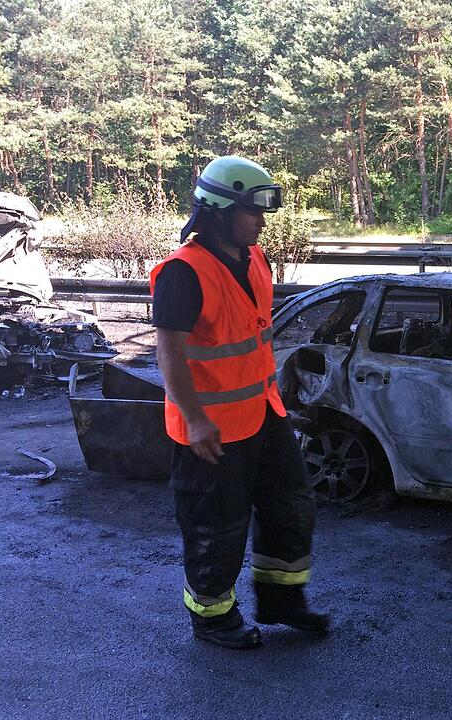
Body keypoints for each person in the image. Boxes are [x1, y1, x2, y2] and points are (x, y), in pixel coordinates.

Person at [150, 155, 329, 649]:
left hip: (264, 414)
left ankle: (282, 601)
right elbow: (169, 355)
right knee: (216, 527)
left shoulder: (255, 259)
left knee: (290, 508)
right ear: (218, 211)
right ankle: (213, 618)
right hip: (210, 429)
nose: (261, 222)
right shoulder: (184, 273)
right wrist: (195, 420)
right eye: (253, 211)